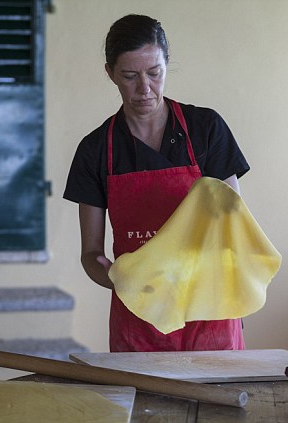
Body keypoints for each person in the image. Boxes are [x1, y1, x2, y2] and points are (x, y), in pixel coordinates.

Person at [63, 14, 250, 352]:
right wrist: (129, 283)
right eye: (130, 76)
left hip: (210, 310)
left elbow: (231, 228)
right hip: (139, 319)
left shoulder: (205, 129)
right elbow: (92, 254)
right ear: (110, 73)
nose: (144, 89)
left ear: (167, 64)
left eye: (154, 73)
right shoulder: (95, 151)